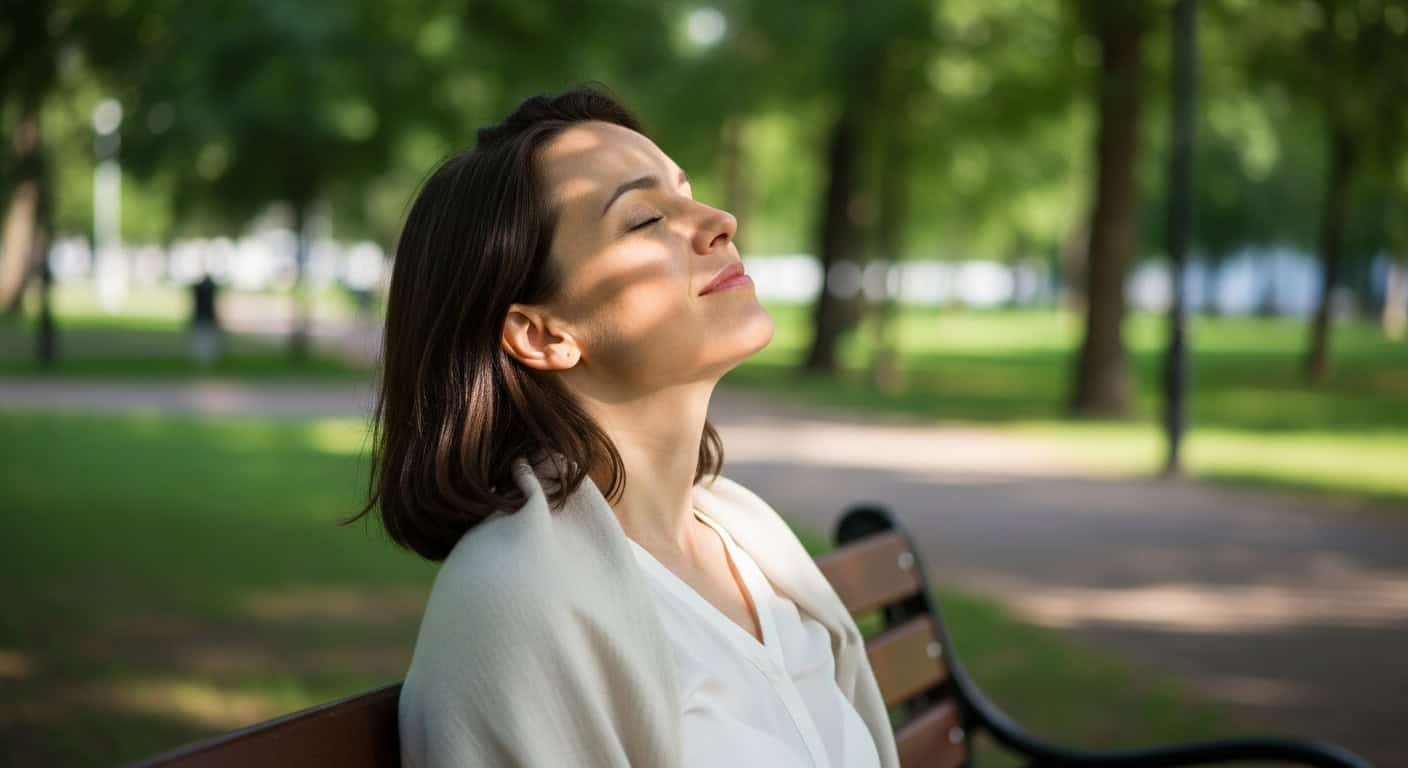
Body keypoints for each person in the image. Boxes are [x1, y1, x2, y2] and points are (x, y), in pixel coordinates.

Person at [352, 84, 899, 768]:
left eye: (687, 191)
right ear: (542, 334)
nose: (719, 220)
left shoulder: (750, 538)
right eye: (646, 219)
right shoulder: (517, 598)